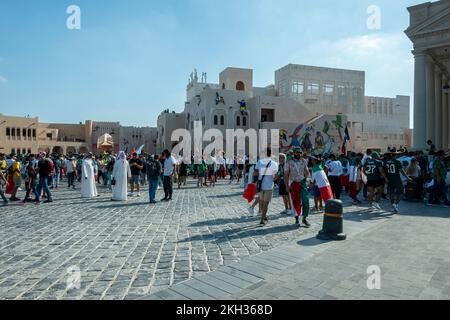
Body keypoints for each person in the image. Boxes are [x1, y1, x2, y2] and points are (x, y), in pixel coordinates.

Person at [284, 148, 309, 226]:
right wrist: (287, 186)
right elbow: (286, 175)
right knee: (295, 201)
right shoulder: (288, 162)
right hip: (293, 183)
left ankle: (304, 218)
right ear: (294, 153)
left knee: (305, 200)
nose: (299, 154)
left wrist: (306, 175)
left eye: (300, 152)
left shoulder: (303, 161)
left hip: (302, 182)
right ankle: (297, 218)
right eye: (297, 152)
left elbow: (307, 172)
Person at [254, 148, 279, 226]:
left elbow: (255, 173)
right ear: (270, 154)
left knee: (261, 201)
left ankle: (263, 216)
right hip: (269, 186)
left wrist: (256, 181)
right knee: (266, 203)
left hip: (261, 185)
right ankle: (262, 219)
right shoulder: (274, 164)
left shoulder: (259, 162)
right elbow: (275, 176)